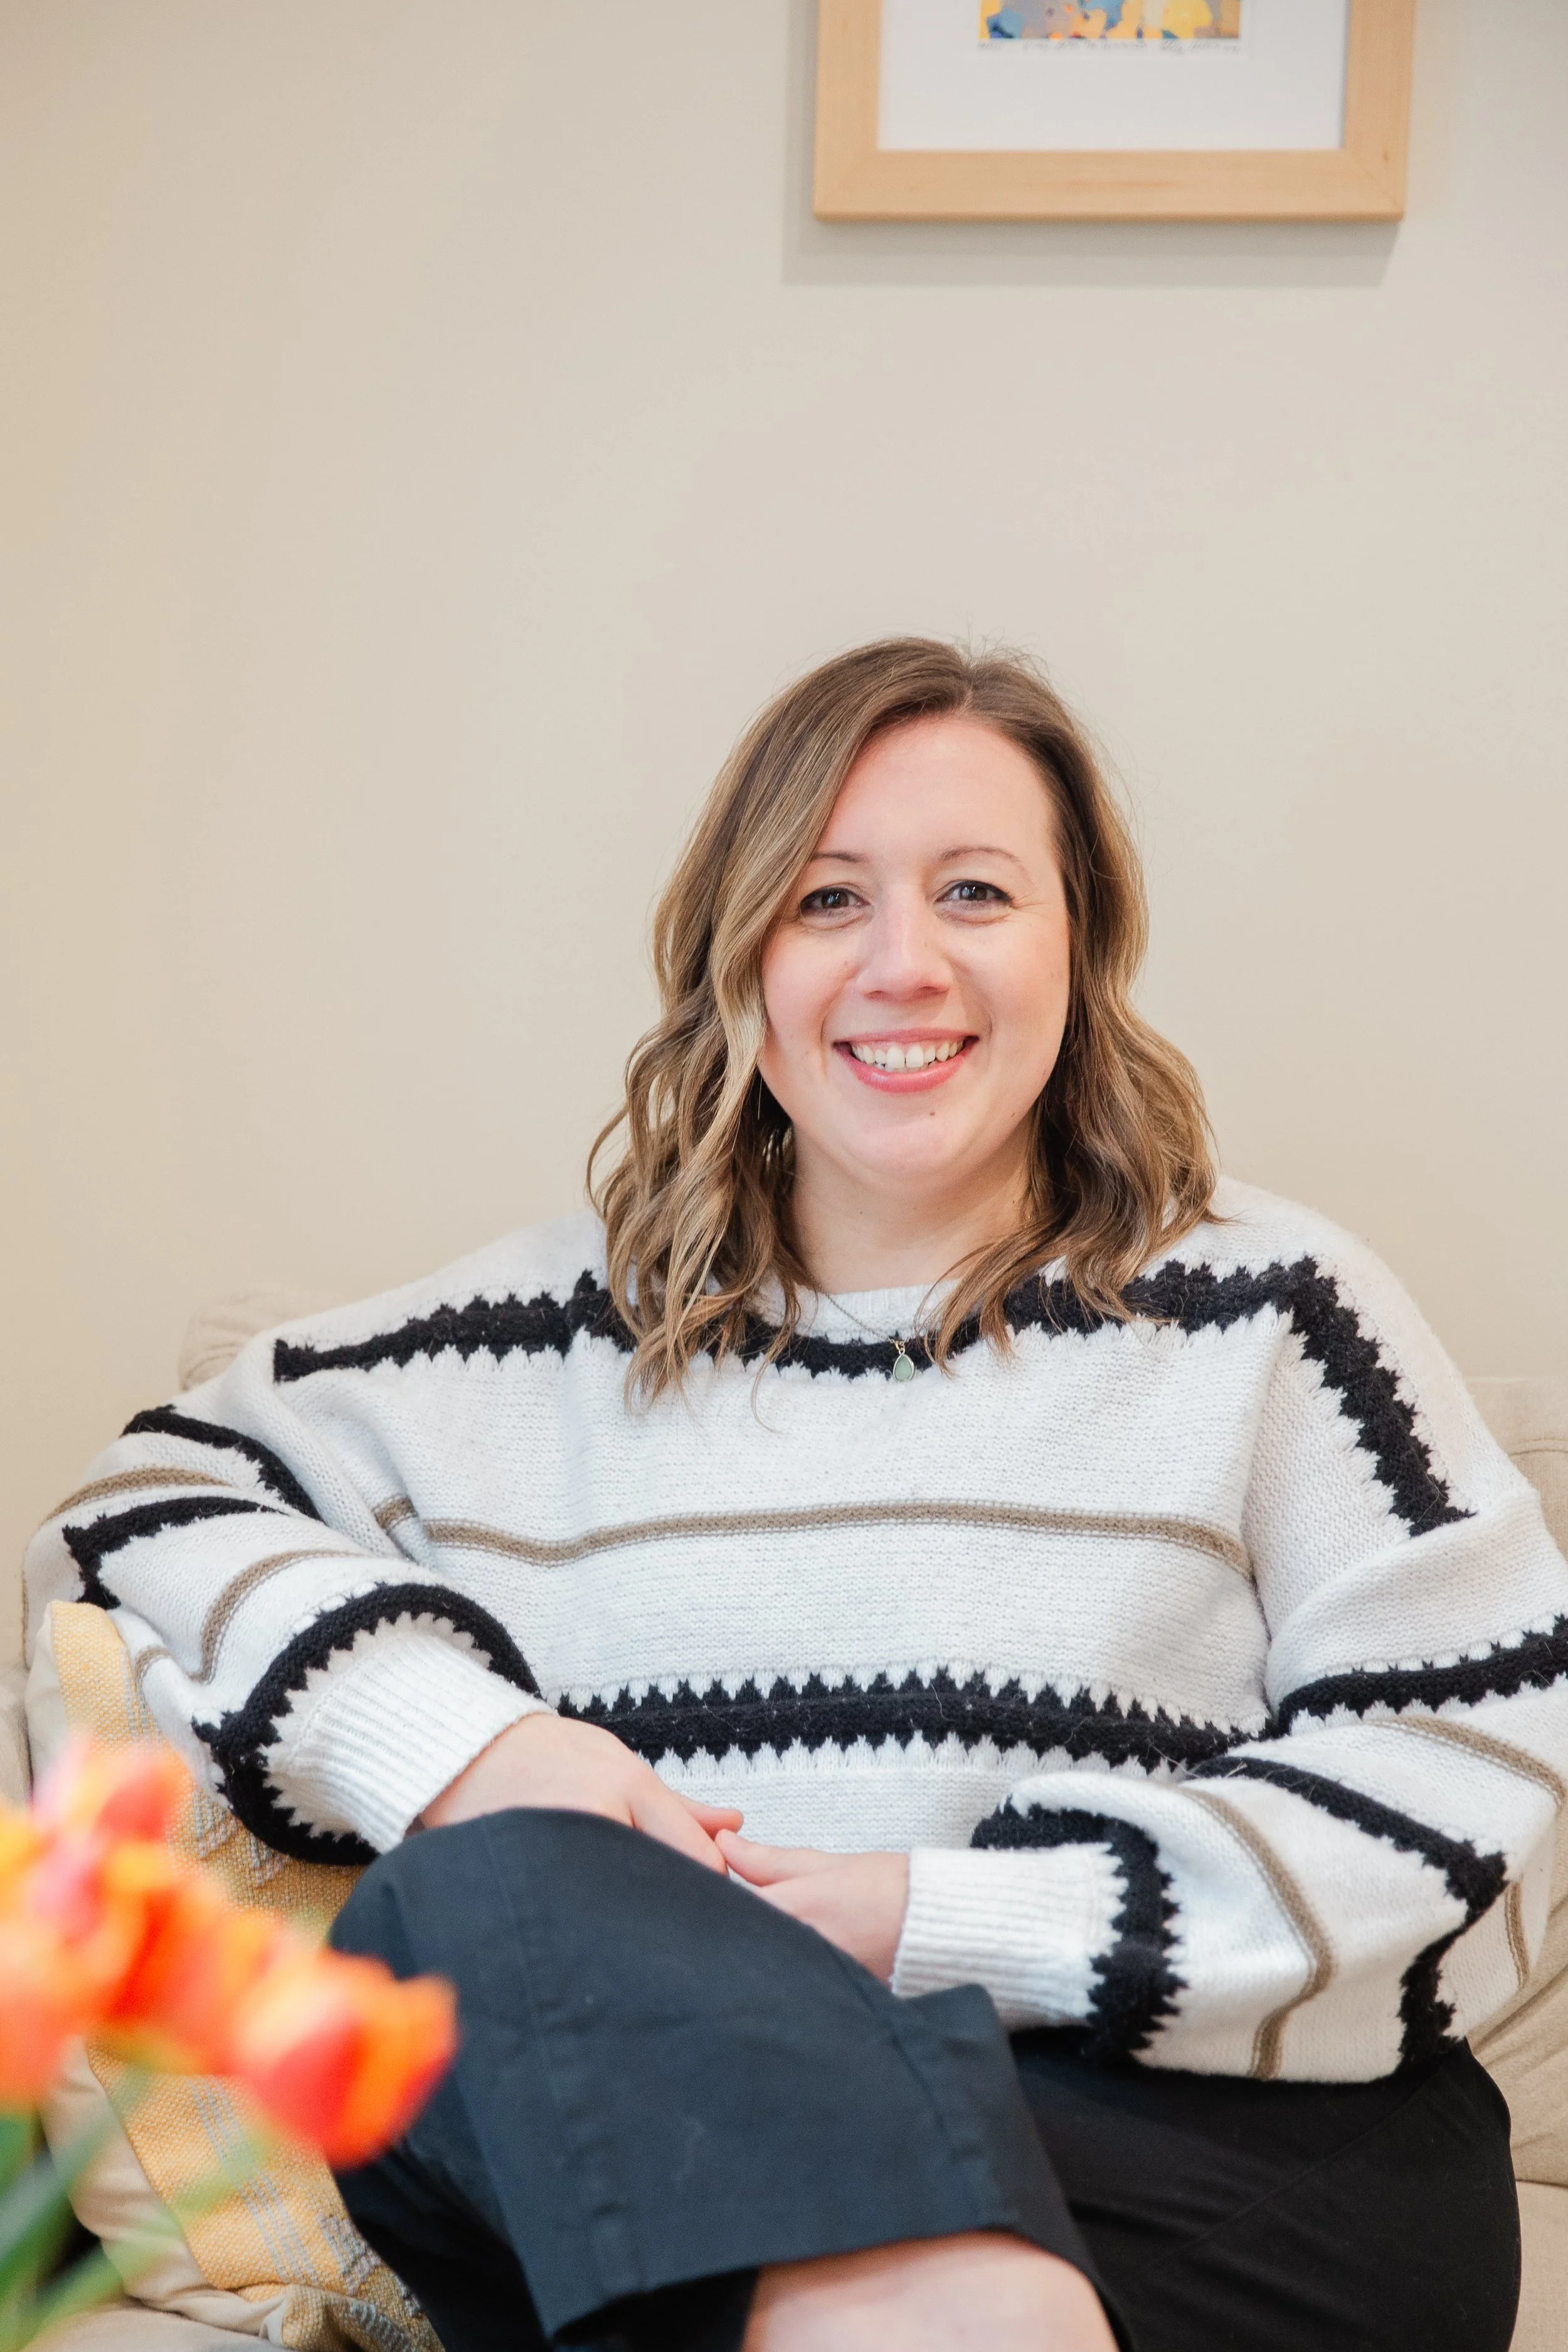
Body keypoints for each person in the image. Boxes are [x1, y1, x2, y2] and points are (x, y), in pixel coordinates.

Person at [27, 639, 1561, 2352]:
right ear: (736, 956)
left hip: (1201, 2156)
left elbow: (1467, 1767)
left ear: (1082, 944)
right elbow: (139, 1507)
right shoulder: (519, 1343)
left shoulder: (1272, 1312)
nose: (902, 964)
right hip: (691, 2130)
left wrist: (933, 1921)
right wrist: (470, 1747)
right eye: (827, 900)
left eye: (975, 890)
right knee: (474, 1903)